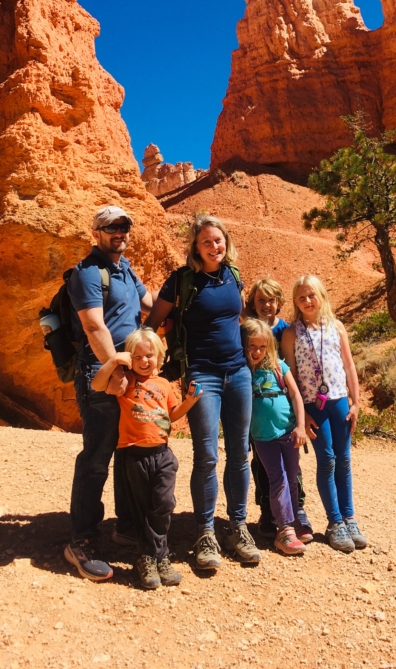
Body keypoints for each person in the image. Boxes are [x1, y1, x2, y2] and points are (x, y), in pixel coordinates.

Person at [146, 214, 258, 570]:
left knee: (240, 453)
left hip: (238, 372)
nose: (215, 246)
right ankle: (205, 531)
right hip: (202, 375)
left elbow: (235, 319)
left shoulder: (234, 276)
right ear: (196, 246)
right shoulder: (181, 280)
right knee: (207, 455)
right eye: (207, 242)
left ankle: (237, 526)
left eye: (219, 240)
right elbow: (151, 324)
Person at [64, 205, 155, 583]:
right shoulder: (88, 273)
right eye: (111, 227)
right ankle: (80, 542)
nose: (119, 231)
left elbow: (149, 305)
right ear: (97, 232)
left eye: (124, 226)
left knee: (128, 449)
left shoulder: (125, 268)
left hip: (128, 373)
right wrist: (114, 368)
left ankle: (125, 528)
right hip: (101, 373)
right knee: (97, 456)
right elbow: (93, 325)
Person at [91, 328, 202, 589]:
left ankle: (157, 555)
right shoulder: (125, 381)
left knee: (163, 504)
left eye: (149, 356)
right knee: (142, 509)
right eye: (137, 356)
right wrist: (115, 362)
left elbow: (172, 415)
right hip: (134, 454)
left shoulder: (163, 385)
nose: (144, 361)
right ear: (131, 358)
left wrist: (189, 401)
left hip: (162, 454)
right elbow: (97, 385)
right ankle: (150, 558)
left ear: (159, 358)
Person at [282, 274, 368, 554]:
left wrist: (356, 402)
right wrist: (300, 416)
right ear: (295, 301)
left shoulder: (336, 326)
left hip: (340, 401)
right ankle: (334, 523)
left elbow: (349, 365)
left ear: (321, 296)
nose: (307, 301)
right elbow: (289, 375)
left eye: (311, 295)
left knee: (344, 459)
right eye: (301, 297)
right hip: (312, 406)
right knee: (327, 459)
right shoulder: (292, 332)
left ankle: (349, 518)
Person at [244, 279, 314, 542]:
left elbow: (293, 369)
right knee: (263, 465)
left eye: (271, 300)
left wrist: (301, 415)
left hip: (283, 408)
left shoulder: (286, 329)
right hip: (258, 414)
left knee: (291, 468)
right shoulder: (247, 329)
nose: (266, 305)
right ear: (253, 303)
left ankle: (297, 512)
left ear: (279, 303)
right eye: (260, 300)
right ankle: (267, 511)